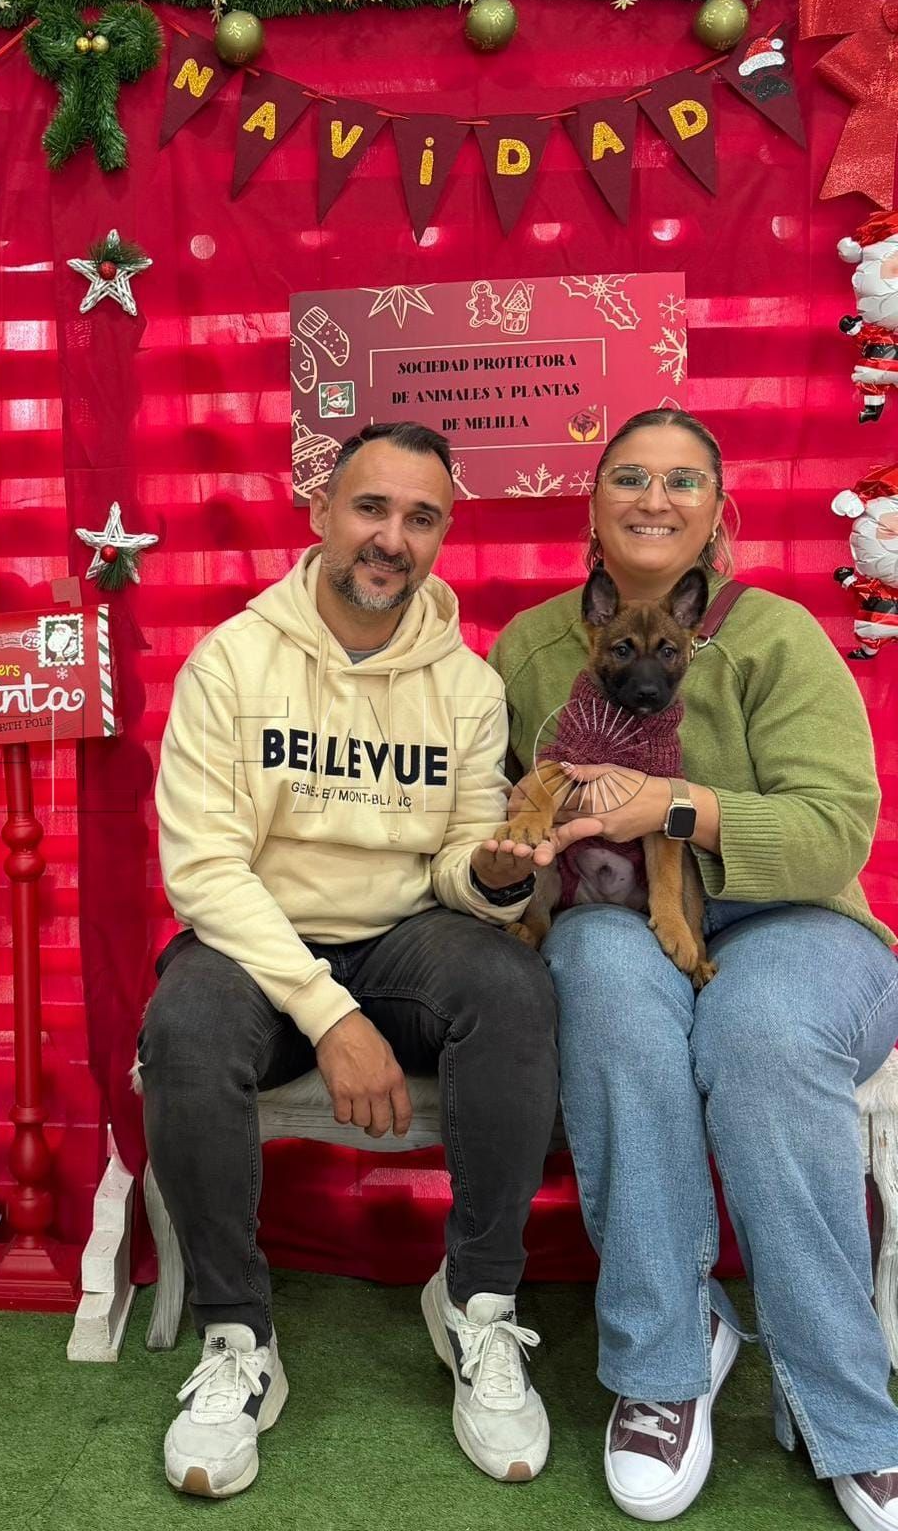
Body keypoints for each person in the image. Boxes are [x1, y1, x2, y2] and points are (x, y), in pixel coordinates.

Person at [139, 421, 597, 1499]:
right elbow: (204, 873)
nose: (390, 537)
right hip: (256, 936)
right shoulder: (232, 661)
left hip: (401, 936)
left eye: (420, 518)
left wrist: (491, 876)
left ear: (443, 537)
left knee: (511, 983)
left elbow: (456, 875)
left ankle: (478, 1305)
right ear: (322, 514)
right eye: (371, 508)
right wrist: (328, 1014)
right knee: (186, 1027)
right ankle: (237, 1339)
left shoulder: (470, 690)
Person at [491, 407, 898, 1530]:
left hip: (795, 918)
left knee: (760, 1039)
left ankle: (847, 1411)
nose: (655, 498)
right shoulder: (528, 647)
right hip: (616, 911)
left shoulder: (779, 635)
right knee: (611, 1001)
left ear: (718, 510)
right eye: (630, 476)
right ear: (593, 505)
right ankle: (665, 1363)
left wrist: (678, 804)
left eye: (683, 481)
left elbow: (835, 832)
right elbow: (505, 806)